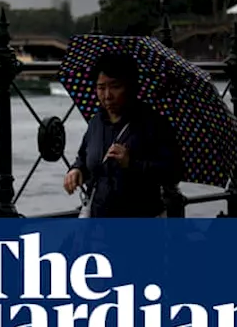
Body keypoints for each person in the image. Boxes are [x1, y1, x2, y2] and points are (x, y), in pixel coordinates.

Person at [63, 52, 181, 217]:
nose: (107, 96)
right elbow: (84, 156)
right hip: (99, 224)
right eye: (101, 87)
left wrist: (132, 163)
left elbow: (172, 171)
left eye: (115, 86)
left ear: (130, 86)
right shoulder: (96, 122)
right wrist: (76, 170)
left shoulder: (152, 123)